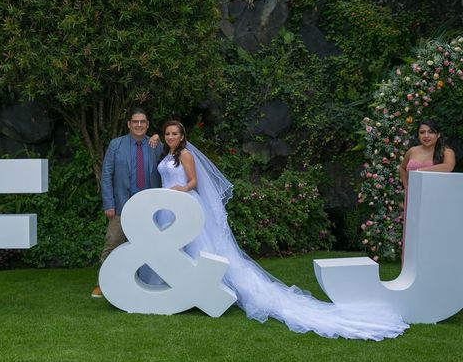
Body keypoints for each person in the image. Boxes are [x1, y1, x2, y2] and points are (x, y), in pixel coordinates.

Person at [153, 120, 408, 340]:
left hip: (184, 203)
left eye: (175, 133)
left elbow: (194, 181)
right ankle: (181, 287)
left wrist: (181, 190)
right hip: (169, 207)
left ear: (183, 136)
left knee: (198, 247)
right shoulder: (167, 155)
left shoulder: (186, 154)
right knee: (177, 248)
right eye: (167, 134)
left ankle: (204, 289)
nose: (171, 137)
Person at [92, 108, 163, 298]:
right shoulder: (116, 145)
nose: (139, 125)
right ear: (129, 124)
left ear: (147, 125)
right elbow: (107, 176)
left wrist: (157, 136)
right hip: (122, 206)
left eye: (143, 122)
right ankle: (102, 283)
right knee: (113, 243)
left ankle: (140, 283)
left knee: (146, 245)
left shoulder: (155, 145)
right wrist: (109, 203)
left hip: (149, 208)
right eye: (135, 121)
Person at [399, 120, 455, 263]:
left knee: (431, 235)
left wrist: (421, 171)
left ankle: (432, 264)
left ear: (438, 134)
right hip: (414, 199)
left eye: (430, 132)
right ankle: (409, 267)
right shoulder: (412, 151)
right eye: (422, 132)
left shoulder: (446, 152)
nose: (426, 135)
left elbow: (448, 167)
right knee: (412, 233)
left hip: (435, 201)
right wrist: (407, 186)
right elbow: (402, 168)